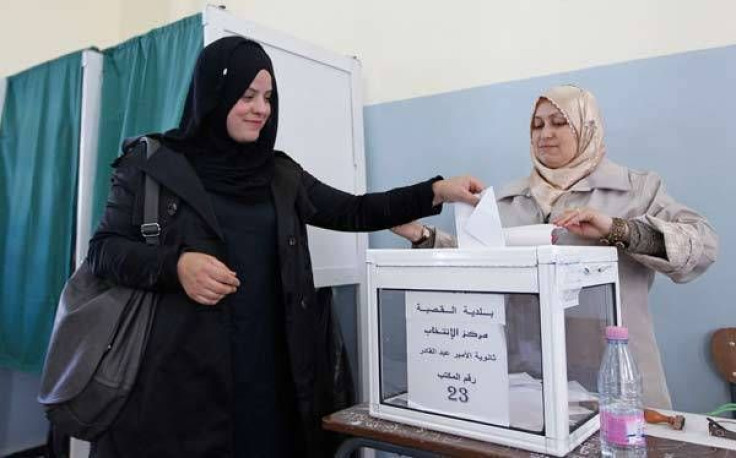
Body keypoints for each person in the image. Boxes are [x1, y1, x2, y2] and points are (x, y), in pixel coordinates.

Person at [86, 36, 484, 458]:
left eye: (268, 97)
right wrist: (176, 266)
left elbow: (353, 210)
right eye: (247, 95)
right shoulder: (152, 166)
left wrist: (437, 190)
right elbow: (104, 252)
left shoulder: (279, 174)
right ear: (213, 95)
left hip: (271, 379)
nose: (261, 108)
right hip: (180, 386)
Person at [392, 85, 718, 409]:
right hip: (529, 378)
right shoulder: (508, 199)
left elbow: (702, 245)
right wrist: (421, 235)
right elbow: (479, 263)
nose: (545, 133)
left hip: (617, 379)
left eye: (559, 122)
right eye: (537, 125)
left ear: (585, 126)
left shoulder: (636, 189)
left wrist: (616, 228)